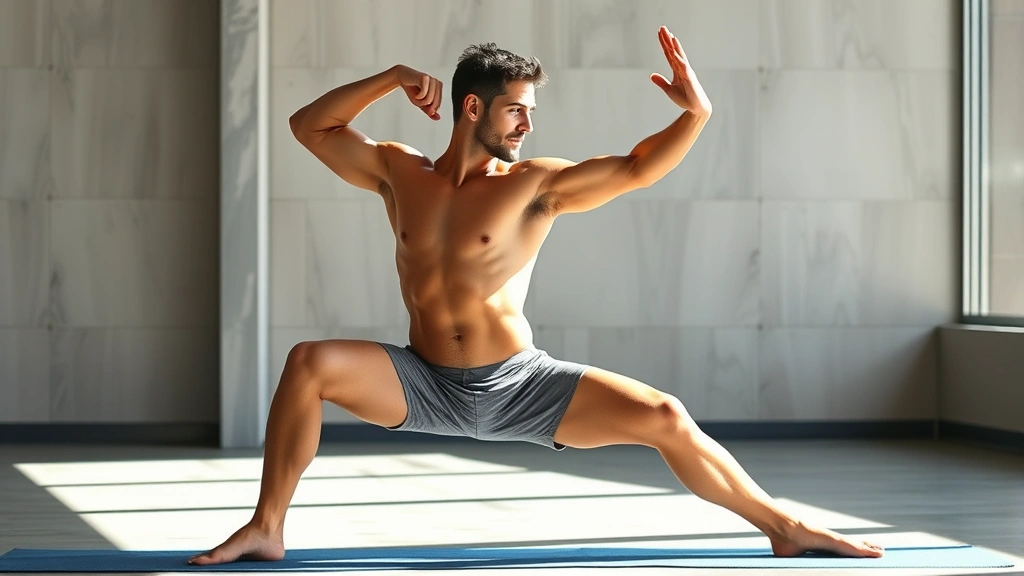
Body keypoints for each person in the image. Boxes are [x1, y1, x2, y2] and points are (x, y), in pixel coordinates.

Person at [190, 26, 883, 564]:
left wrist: (695, 113)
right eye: (516, 111)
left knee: (667, 417)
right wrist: (394, 77)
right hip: (421, 380)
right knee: (309, 362)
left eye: (530, 113)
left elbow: (638, 168)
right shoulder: (401, 173)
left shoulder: (533, 186)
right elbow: (308, 127)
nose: (528, 125)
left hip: (520, 385)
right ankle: (266, 527)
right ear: (472, 107)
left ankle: (784, 527)